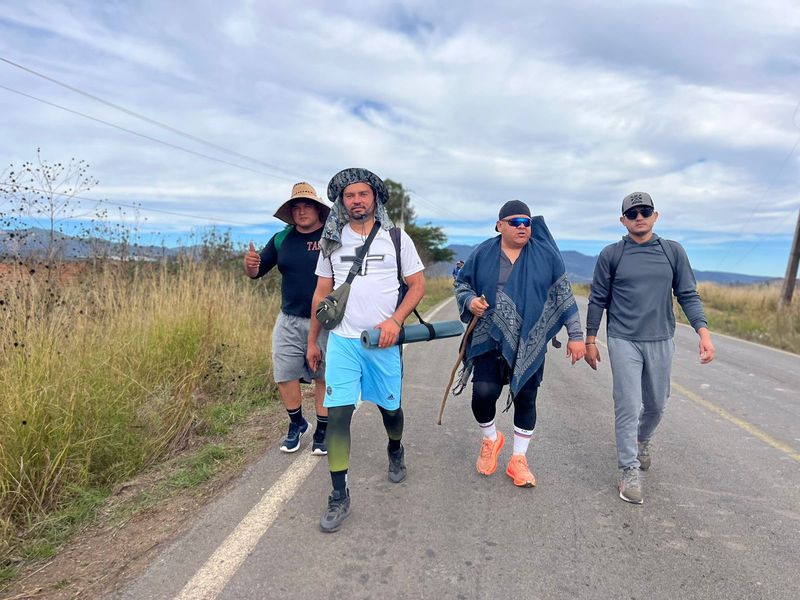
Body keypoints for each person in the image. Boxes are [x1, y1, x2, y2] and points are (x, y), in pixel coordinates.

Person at [307, 168, 425, 533]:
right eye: (349, 195)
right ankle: (338, 494)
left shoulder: (396, 237)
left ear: (374, 198)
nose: (356, 200)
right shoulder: (331, 241)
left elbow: (417, 285)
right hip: (343, 342)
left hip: (382, 343)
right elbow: (321, 293)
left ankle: (395, 448)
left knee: (391, 410)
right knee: (338, 416)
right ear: (342, 202)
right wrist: (312, 341)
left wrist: (395, 321)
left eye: (363, 194)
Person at [584, 192, 715, 504]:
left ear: (655, 216)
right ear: (623, 221)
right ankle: (628, 469)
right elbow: (598, 299)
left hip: (660, 339)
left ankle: (642, 440)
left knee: (656, 404)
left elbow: (687, 294)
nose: (639, 217)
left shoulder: (672, 252)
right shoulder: (611, 254)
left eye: (645, 211)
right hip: (623, 338)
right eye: (632, 214)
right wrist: (590, 339)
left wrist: (703, 333)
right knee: (627, 405)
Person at [453, 200, 585, 488]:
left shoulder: (546, 255)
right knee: (483, 393)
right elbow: (462, 285)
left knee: (526, 398)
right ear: (500, 225)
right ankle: (491, 439)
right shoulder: (483, 253)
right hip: (488, 336)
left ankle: (518, 460)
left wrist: (576, 336)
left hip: (530, 340)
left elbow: (564, 295)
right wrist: (470, 301)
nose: (522, 227)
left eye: (527, 222)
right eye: (515, 222)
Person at [244, 182, 331, 455]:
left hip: (328, 320)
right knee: (284, 374)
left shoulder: (332, 237)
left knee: (324, 376)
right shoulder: (281, 239)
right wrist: (250, 266)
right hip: (289, 319)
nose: (302, 211)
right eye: (296, 207)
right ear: (291, 212)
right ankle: (297, 424)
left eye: (307, 206)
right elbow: (257, 272)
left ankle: (323, 430)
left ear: (318, 209)